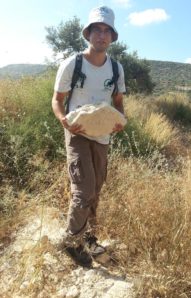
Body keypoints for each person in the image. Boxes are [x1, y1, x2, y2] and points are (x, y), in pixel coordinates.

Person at [52, 6, 126, 267]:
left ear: (112, 36)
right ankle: (71, 241)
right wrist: (64, 120)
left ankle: (88, 237)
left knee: (95, 190)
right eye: (97, 29)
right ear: (89, 33)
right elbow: (57, 100)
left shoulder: (116, 69)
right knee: (83, 191)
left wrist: (119, 121)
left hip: (102, 136)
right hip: (78, 133)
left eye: (107, 31)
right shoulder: (73, 64)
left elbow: (118, 102)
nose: (101, 35)